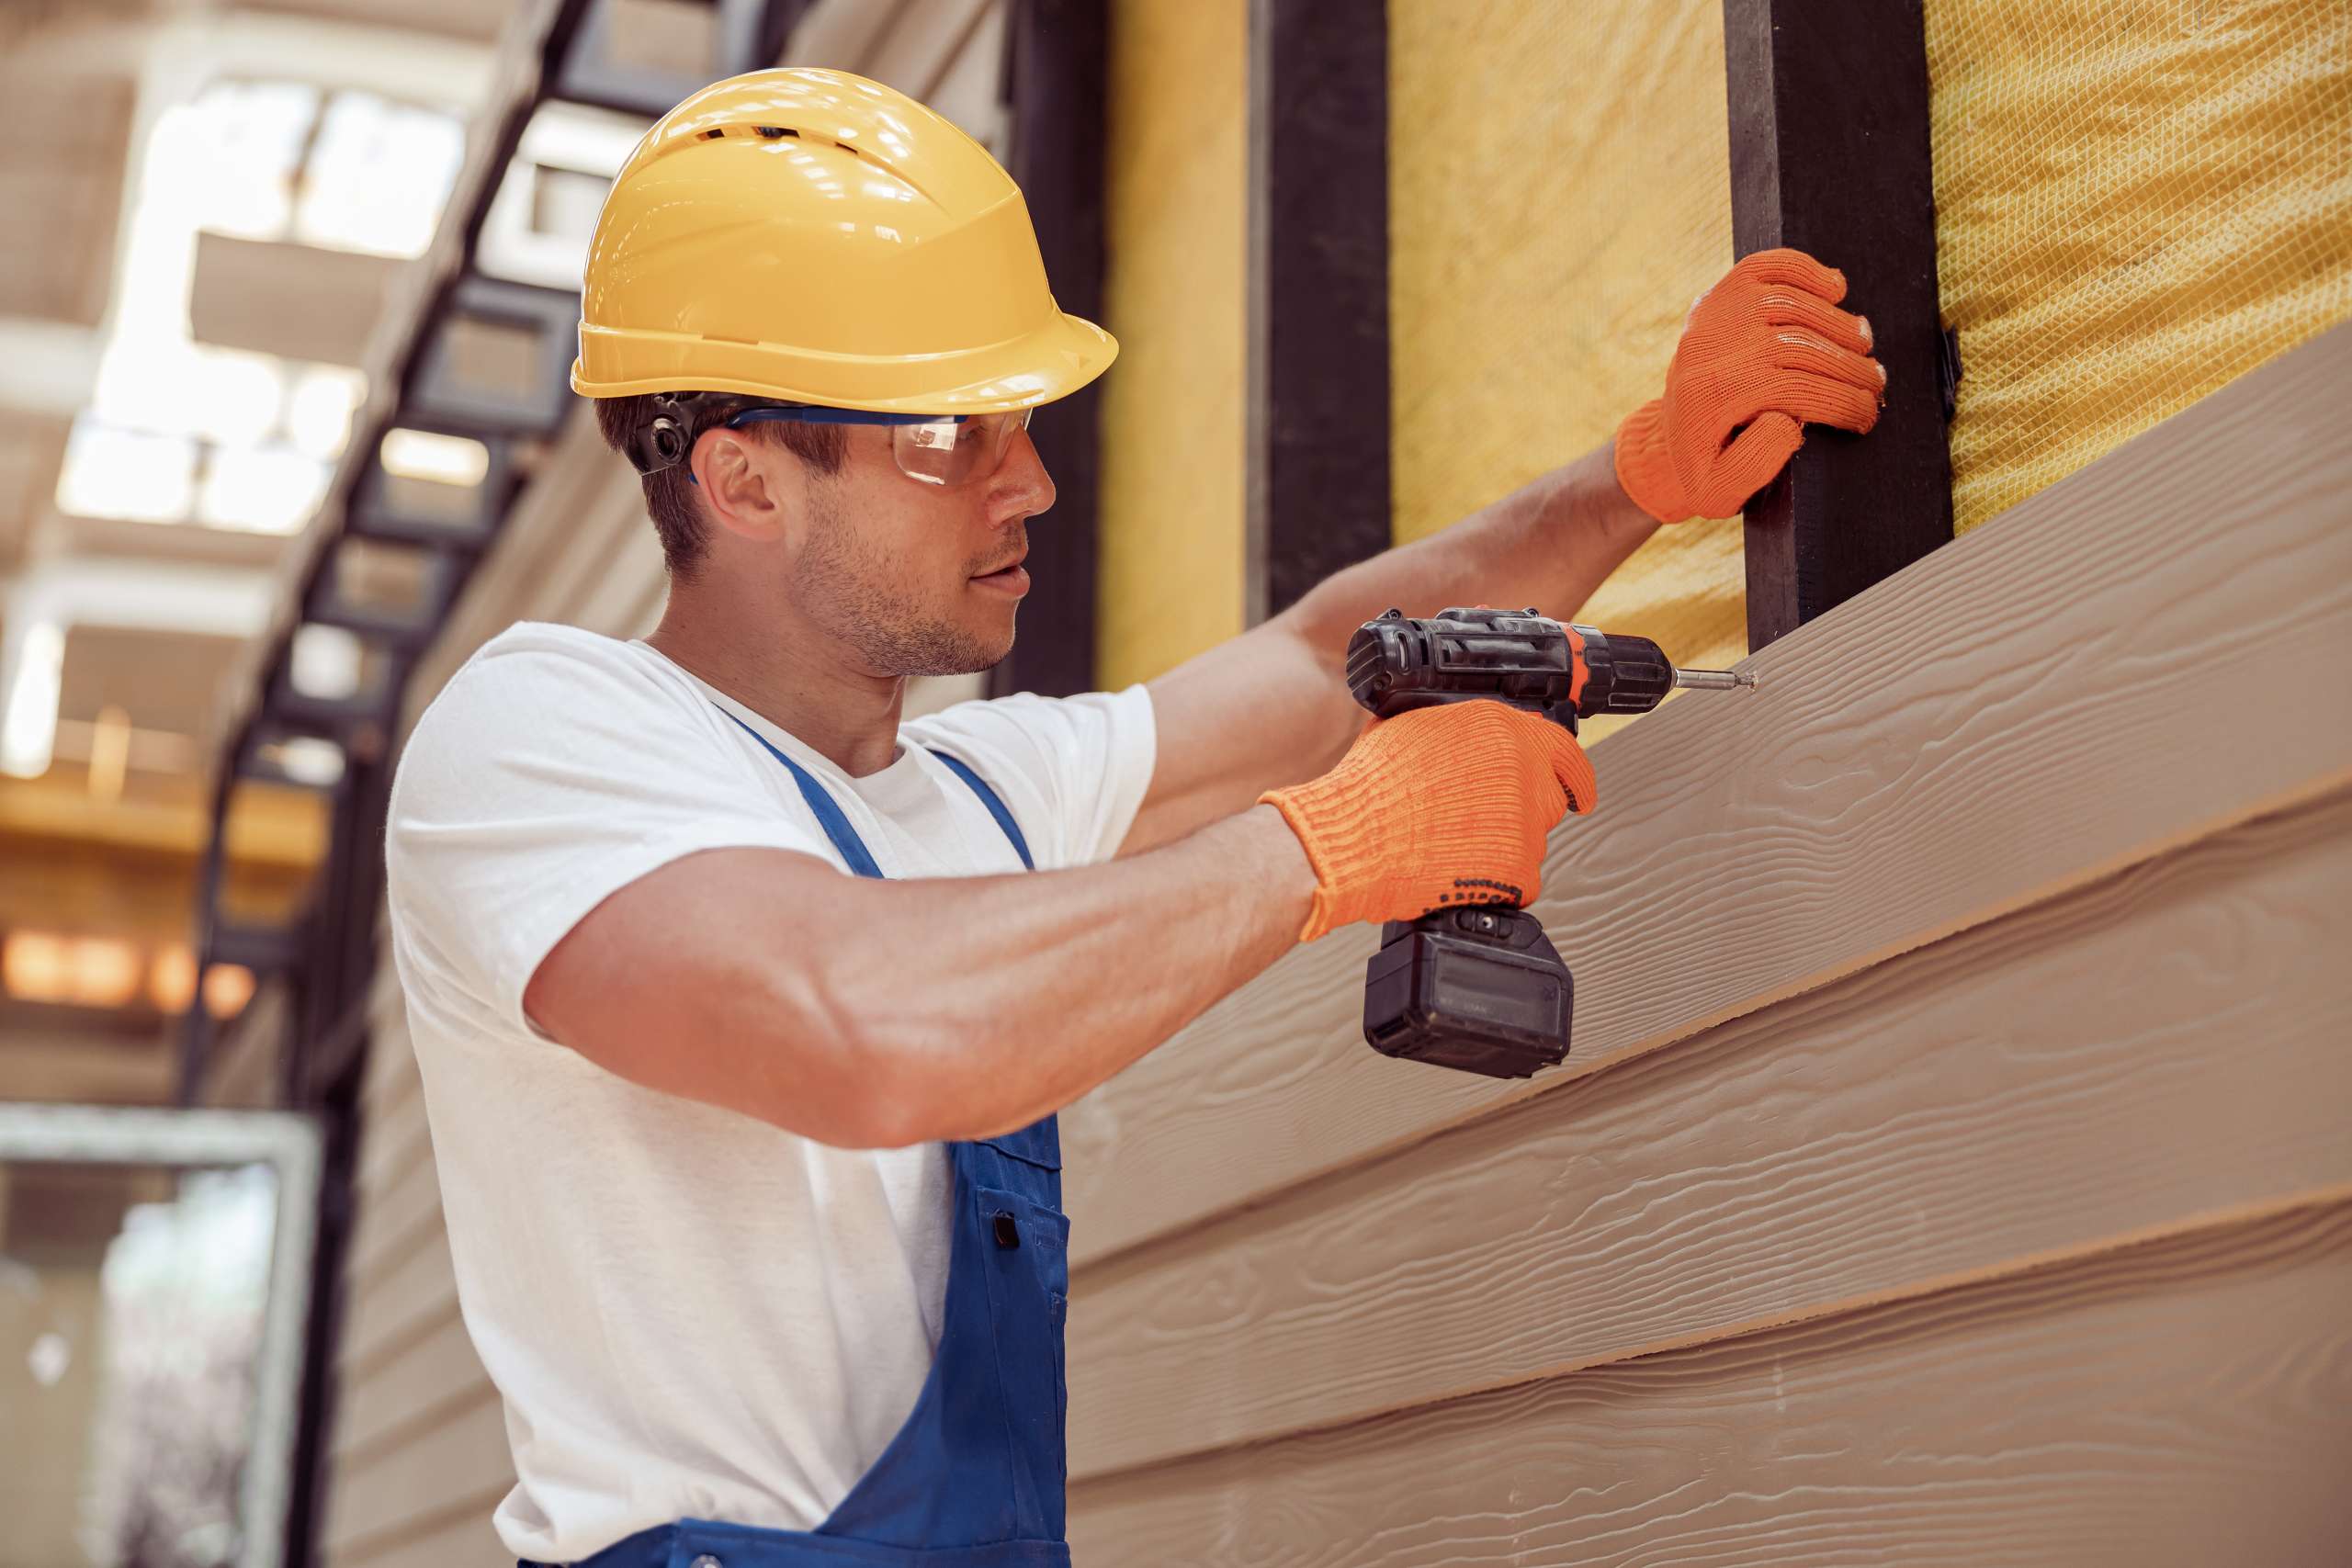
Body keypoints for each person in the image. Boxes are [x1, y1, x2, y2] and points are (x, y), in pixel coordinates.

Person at [382, 65, 1884, 1568]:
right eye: (946, 436)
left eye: (1019, 420)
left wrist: (1636, 479)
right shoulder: (541, 740)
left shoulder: (980, 794)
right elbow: (856, 1023)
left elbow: (1317, 665)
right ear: (744, 481)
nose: (1027, 478)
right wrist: (1332, 847)